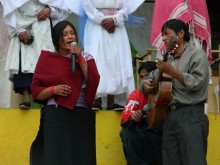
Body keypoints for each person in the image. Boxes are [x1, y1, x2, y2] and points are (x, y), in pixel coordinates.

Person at [30, 20, 100, 165]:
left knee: (82, 157)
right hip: (56, 116)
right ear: (57, 38)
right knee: (57, 157)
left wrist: (79, 58)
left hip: (81, 115)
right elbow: (36, 92)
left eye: (72, 33)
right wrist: (53, 90)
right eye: (65, 34)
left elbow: (93, 81)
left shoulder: (86, 57)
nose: (70, 37)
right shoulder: (47, 59)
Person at [143, 19, 209, 165]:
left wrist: (172, 72)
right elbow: (150, 78)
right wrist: (145, 84)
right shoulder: (167, 58)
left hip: (191, 115)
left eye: (167, 34)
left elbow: (197, 82)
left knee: (194, 161)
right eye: (162, 35)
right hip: (169, 117)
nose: (163, 38)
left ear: (180, 33)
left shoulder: (197, 55)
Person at [2, 0, 68, 109]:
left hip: (44, 26)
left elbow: (60, 6)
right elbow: (10, 10)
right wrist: (19, 30)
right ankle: (26, 98)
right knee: (24, 63)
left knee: (46, 63)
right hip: (23, 27)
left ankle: (45, 99)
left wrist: (49, 10)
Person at [82, 0, 144, 110]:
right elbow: (87, 6)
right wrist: (104, 20)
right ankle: (97, 100)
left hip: (117, 27)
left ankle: (112, 101)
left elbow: (125, 8)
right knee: (97, 60)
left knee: (116, 61)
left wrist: (114, 20)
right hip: (96, 25)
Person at [120, 61, 163, 165]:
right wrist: (133, 117)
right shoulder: (136, 94)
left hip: (162, 136)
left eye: (148, 76)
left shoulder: (165, 90)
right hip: (143, 136)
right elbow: (125, 119)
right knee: (126, 132)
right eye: (142, 77)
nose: (145, 80)